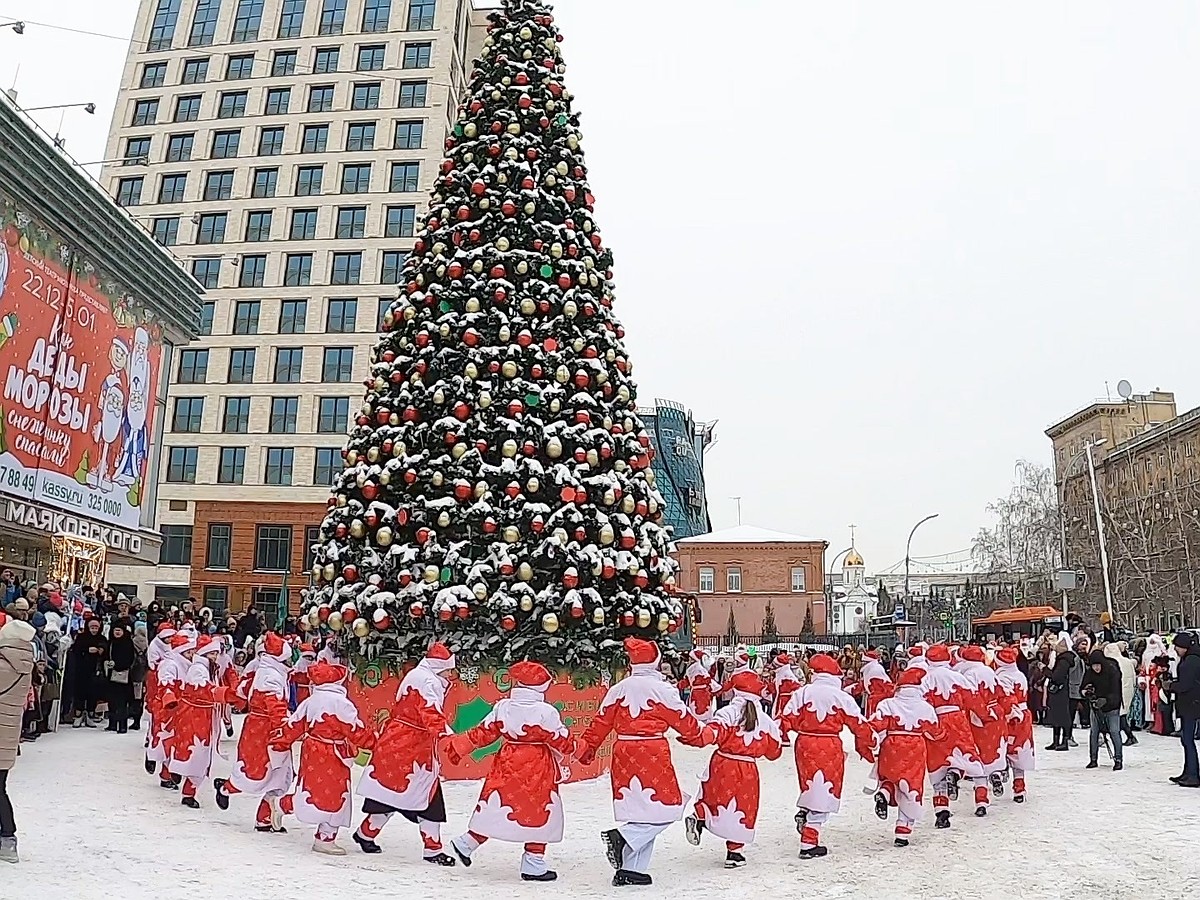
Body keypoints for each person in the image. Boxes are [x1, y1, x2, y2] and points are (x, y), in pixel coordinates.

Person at [578, 637, 702, 887]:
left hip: (623, 750)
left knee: (642, 811)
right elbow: (685, 722)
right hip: (652, 750)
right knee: (666, 806)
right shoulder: (662, 689)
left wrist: (588, 749)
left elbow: (600, 722)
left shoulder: (619, 689)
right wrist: (700, 736)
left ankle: (632, 870)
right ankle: (623, 837)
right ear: (656, 661)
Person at [447, 660, 577, 881]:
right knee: (540, 812)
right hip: (538, 766)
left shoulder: (503, 706)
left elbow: (485, 731)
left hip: (507, 761)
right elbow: (560, 739)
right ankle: (533, 863)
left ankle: (466, 843)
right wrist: (580, 750)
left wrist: (460, 746)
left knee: (496, 805)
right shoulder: (546, 711)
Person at [354, 643, 456, 862]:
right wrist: (449, 739)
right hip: (413, 748)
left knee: (389, 795)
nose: (451, 674)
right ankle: (433, 849)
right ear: (439, 668)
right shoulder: (428, 682)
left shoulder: (417, 675)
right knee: (429, 799)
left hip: (397, 741)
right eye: (449, 670)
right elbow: (431, 714)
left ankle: (365, 833)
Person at [270, 659, 374, 855]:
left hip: (312, 751)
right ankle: (325, 837)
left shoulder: (310, 701)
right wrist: (375, 744)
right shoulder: (341, 703)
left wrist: (280, 743)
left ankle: (286, 805)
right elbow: (356, 730)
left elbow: (294, 725)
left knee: (311, 789)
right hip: (334, 753)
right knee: (337, 795)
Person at [682, 670, 782, 868]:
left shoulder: (728, 712)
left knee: (713, 796)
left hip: (722, 762)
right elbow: (774, 752)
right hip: (747, 768)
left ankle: (700, 814)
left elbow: (712, 733)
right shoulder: (766, 721)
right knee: (743, 807)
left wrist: (691, 737)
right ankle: (734, 853)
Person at [779, 653, 875, 858]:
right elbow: (858, 723)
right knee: (827, 788)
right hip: (829, 743)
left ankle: (805, 810)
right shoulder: (840, 697)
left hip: (804, 743)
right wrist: (869, 743)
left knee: (810, 783)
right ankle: (809, 841)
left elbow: (785, 718)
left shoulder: (802, 693)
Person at [215, 632, 294, 832]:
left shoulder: (272, 671)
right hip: (262, 730)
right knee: (254, 772)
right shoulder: (270, 676)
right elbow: (274, 705)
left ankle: (264, 819)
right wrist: (284, 726)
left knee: (279, 775)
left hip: (271, 729)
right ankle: (226, 788)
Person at [867, 666, 942, 846]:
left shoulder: (888, 704)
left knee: (890, 777)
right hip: (915, 747)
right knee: (911, 786)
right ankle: (903, 830)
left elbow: (875, 724)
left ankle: (884, 793)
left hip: (891, 743)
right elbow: (935, 732)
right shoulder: (925, 707)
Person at [920, 644, 982, 829]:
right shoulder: (958, 677)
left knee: (937, 765)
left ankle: (942, 813)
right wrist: (985, 716)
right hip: (957, 719)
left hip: (935, 721)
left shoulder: (925, 680)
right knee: (965, 755)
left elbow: (918, 704)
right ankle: (956, 773)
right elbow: (973, 699)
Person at [166, 636, 229, 806]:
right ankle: (176, 772)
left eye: (217, 653)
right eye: (212, 653)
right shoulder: (198, 669)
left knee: (200, 754)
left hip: (205, 715)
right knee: (194, 750)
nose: (215, 657)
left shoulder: (210, 668)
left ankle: (188, 790)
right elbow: (203, 690)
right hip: (194, 714)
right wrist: (227, 694)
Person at [954, 645, 1006, 816]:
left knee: (977, 757)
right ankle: (995, 774)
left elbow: (970, 699)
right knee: (992, 751)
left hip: (978, 716)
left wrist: (980, 714)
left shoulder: (968, 674)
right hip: (995, 713)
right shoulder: (990, 671)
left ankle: (981, 799)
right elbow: (1001, 693)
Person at [0, 613, 34, 863]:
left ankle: (8, 838)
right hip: (8, 732)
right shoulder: (24, 664)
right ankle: (7, 838)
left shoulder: (3, 665)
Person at [994, 647, 1035, 802]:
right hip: (1024, 715)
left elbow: (1006, 699)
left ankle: (999, 772)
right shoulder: (1020, 675)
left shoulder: (1001, 677)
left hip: (1009, 717)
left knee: (1003, 747)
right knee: (1020, 750)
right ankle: (1020, 787)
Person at [1080, 648, 1123, 772]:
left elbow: (1116, 692)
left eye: (1098, 665)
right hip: (1095, 707)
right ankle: (1093, 759)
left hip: (1112, 707)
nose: (1096, 668)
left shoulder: (1112, 671)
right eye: (1094, 666)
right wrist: (1085, 692)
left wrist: (1106, 700)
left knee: (1114, 732)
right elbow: (1082, 688)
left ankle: (1118, 759)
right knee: (1094, 732)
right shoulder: (1089, 673)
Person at [1167, 632, 1199, 788]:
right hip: (1191, 703)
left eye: (1177, 646)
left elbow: (1185, 685)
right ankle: (1188, 772)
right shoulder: (1191, 659)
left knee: (1187, 739)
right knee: (1186, 740)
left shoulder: (1191, 661)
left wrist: (1170, 686)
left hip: (1191, 704)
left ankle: (1192, 774)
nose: (1175, 649)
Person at [68, 616, 107, 727]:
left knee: (93, 693)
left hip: (95, 670)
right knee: (80, 693)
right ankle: (78, 715)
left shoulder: (102, 638)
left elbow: (106, 650)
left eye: (96, 627)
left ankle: (90, 714)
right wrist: (86, 650)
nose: (94, 630)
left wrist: (101, 650)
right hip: (81, 670)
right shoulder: (81, 637)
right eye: (92, 627)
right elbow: (75, 650)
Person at [1045, 637, 1075, 751]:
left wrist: (1045, 670)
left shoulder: (1063, 661)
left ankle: (1062, 741)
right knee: (1058, 716)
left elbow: (1056, 676)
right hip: (1062, 691)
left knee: (1061, 717)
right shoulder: (1066, 660)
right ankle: (1057, 741)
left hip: (1060, 692)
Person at [105, 621, 136, 734]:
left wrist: (118, 665)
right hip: (111, 674)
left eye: (119, 630)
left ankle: (122, 725)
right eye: (115, 630)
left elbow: (130, 659)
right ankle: (112, 723)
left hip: (124, 675)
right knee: (111, 700)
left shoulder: (128, 643)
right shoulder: (111, 643)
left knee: (122, 701)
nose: (117, 632)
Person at [1105, 642, 1138, 746]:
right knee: (1121, 714)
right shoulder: (1128, 662)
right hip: (1128, 690)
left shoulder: (1111, 663)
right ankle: (1129, 736)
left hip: (1117, 691)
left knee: (1117, 715)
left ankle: (1129, 736)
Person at [679, 649, 721, 724]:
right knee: (702, 712)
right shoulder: (699, 669)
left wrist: (676, 686)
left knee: (697, 711)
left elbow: (686, 682)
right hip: (703, 694)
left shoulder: (695, 669)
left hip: (699, 694)